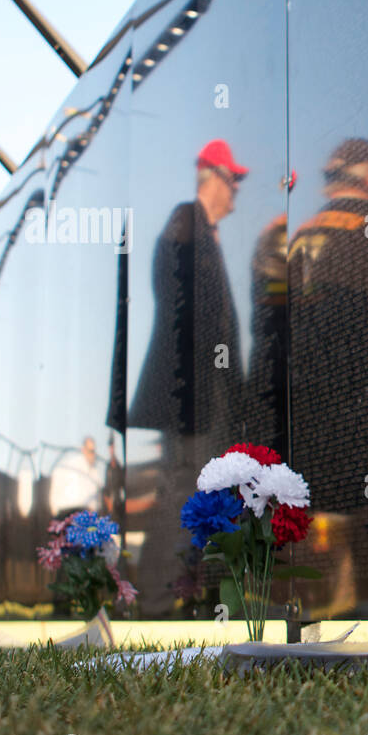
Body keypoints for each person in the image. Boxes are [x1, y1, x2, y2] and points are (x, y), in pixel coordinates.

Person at [288, 139, 368, 616]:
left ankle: (316, 602)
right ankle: (366, 605)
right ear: (362, 172)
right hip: (365, 381)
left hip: (308, 386)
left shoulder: (302, 230)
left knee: (318, 496)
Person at [128, 138, 248, 614]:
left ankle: (174, 597)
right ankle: (155, 605)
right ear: (211, 177)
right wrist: (209, 384)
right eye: (233, 178)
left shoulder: (203, 231)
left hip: (202, 390)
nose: (238, 189)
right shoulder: (186, 221)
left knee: (193, 488)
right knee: (185, 488)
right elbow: (188, 312)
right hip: (191, 393)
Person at [48, 435, 105, 517]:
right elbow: (57, 485)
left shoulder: (95, 472)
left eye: (94, 451)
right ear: (83, 450)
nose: (93, 455)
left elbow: (98, 497)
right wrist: (54, 507)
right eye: (90, 451)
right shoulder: (71, 466)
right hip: (70, 512)